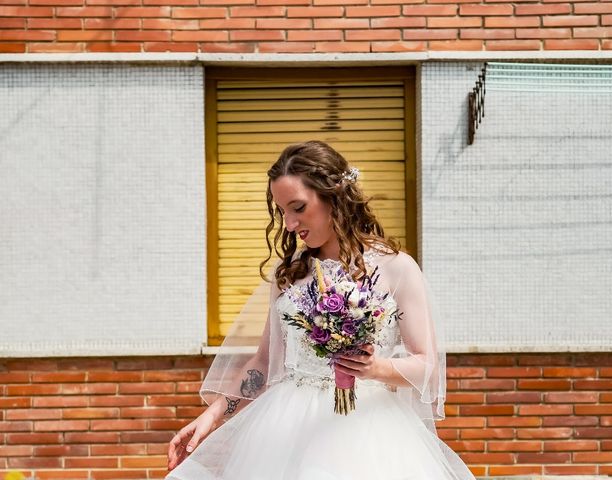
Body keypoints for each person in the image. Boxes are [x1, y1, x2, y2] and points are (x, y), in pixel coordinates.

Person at [165, 141, 476, 480]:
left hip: (368, 432)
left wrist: (374, 367)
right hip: (285, 431)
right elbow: (262, 363)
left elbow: (425, 364)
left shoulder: (396, 268)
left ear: (334, 196)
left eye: (298, 207)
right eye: (283, 211)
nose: (288, 223)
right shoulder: (290, 274)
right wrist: (211, 416)